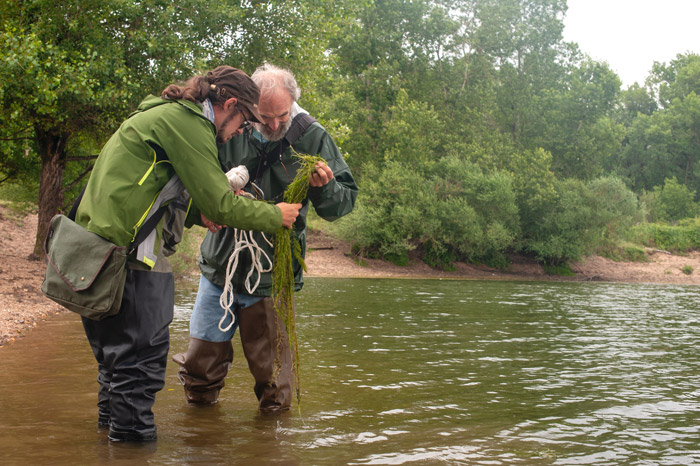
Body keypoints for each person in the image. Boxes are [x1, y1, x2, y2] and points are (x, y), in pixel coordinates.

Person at [75, 65, 302, 442]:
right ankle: (132, 450)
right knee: (140, 370)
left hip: (95, 256)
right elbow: (223, 203)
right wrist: (275, 215)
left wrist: (199, 213)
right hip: (128, 262)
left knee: (115, 367)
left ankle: (109, 447)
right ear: (229, 104)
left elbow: (158, 188)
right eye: (243, 122)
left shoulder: (161, 112)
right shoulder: (191, 123)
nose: (238, 133)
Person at [173, 63, 358, 411]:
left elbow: (341, 205)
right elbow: (185, 190)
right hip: (218, 269)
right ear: (248, 107)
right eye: (264, 116)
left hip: (272, 276)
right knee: (199, 371)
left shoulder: (313, 136)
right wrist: (205, 209)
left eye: (282, 115)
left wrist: (326, 188)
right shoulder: (228, 127)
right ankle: (199, 440)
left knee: (275, 386)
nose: (273, 124)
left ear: (294, 104)